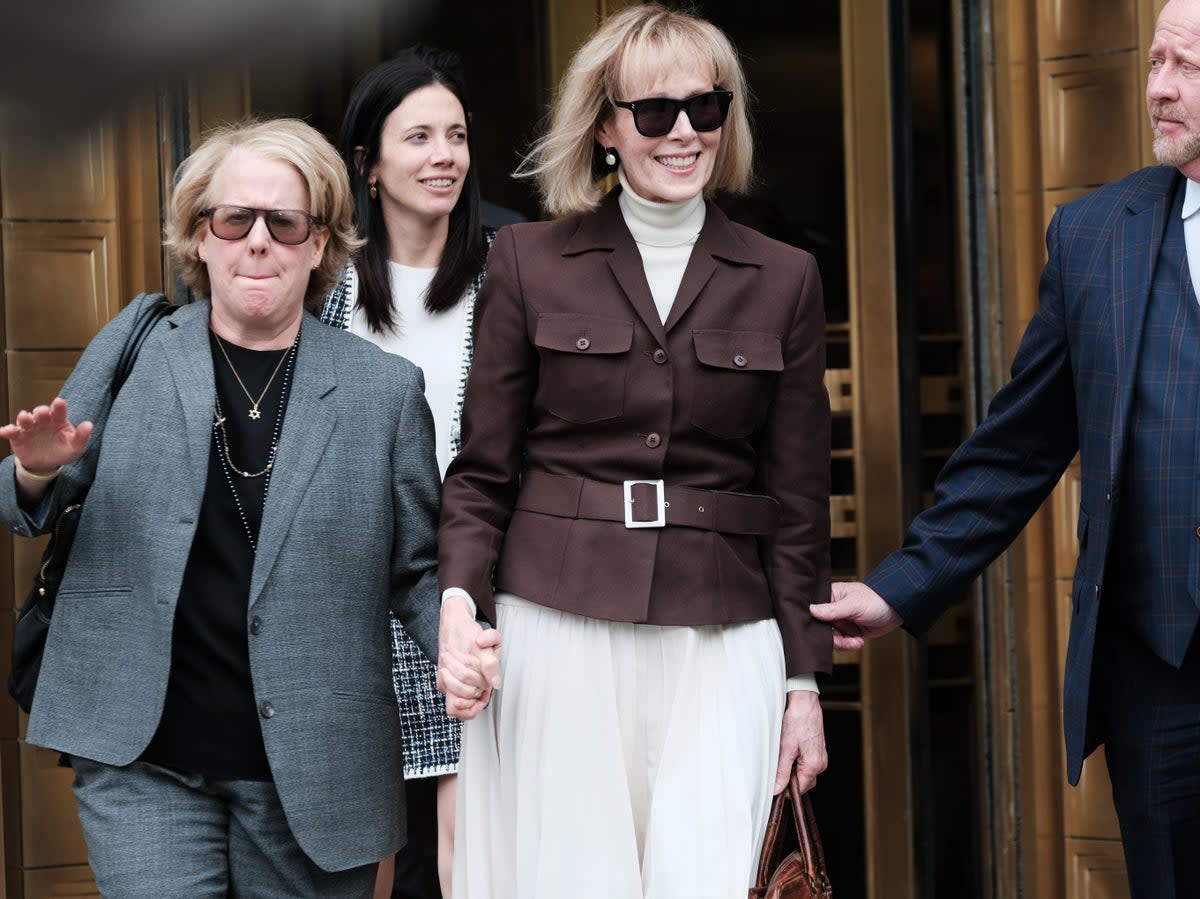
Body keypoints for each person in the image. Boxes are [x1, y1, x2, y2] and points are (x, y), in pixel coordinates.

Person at [0, 117, 489, 899]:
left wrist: (458, 641)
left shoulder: (382, 391)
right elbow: (25, 505)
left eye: (284, 222)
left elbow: (417, 569)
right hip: (144, 755)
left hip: (315, 767)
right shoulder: (139, 344)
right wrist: (35, 471)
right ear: (200, 237)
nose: (257, 241)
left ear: (319, 241)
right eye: (235, 219)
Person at [434, 6, 832, 897]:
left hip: (724, 636)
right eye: (655, 112)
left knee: (714, 876)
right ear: (607, 128)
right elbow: (482, 470)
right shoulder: (527, 262)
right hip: (557, 625)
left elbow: (801, 498)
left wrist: (803, 682)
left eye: (706, 106)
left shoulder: (786, 277)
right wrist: (460, 602)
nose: (684, 131)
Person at [811, 2, 1200, 896]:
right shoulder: (1098, 236)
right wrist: (899, 587)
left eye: (1187, 68)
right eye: (1155, 63)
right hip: (1163, 673)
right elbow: (1015, 448)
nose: (1158, 89)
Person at [321, 45, 494, 899]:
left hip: (475, 597)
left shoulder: (512, 273)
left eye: (456, 135)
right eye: (418, 136)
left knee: (475, 857)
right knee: (366, 863)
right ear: (369, 161)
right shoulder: (323, 286)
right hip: (347, 605)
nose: (443, 156)